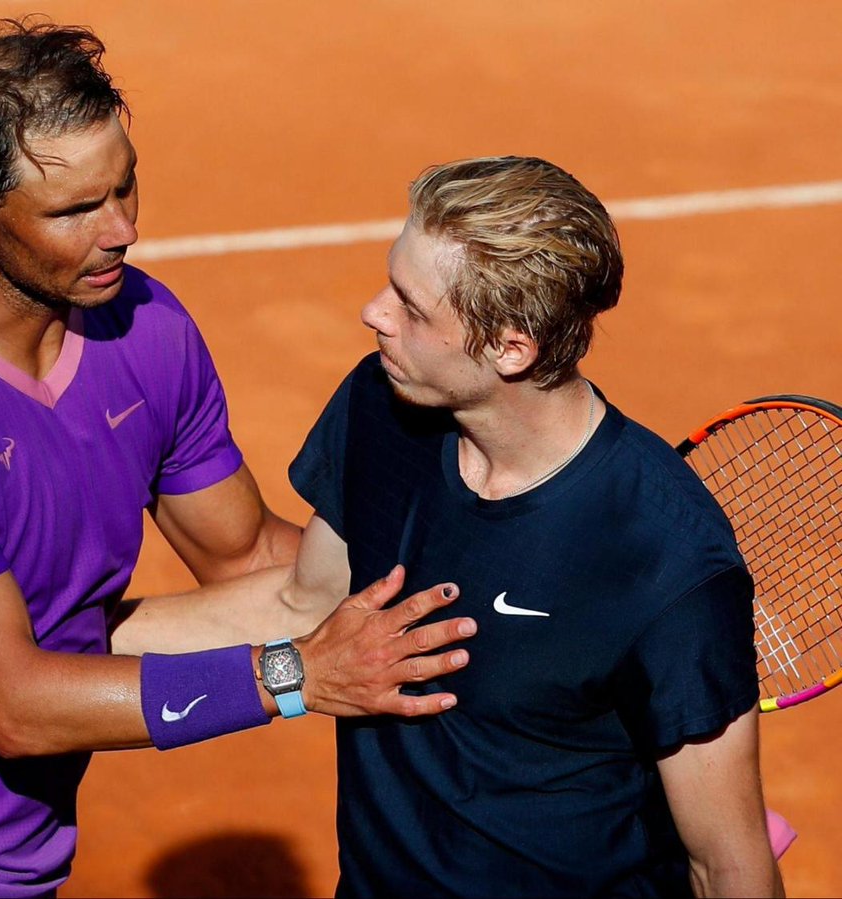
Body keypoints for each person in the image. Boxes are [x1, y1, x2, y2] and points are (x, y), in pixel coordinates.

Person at [0, 19, 475, 899]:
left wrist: (468, 559)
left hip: (19, 866)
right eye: (74, 211)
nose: (120, 231)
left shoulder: (145, 326)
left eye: (125, 189)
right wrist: (297, 675)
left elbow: (257, 565)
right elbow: (14, 704)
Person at [281, 156, 785, 897]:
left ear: (510, 348)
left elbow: (726, 861)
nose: (374, 312)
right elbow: (303, 601)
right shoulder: (383, 407)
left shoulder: (664, 559)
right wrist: (75, 656)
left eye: (410, 307)